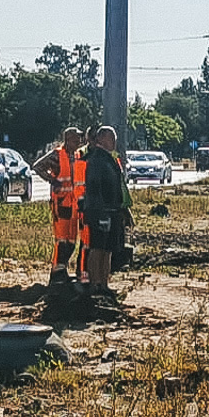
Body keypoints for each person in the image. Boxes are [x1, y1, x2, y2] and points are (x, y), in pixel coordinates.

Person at [80, 125, 131, 297]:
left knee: (108, 249)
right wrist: (100, 211)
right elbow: (94, 187)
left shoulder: (109, 159)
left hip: (112, 211)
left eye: (115, 139)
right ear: (101, 139)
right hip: (99, 212)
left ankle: (104, 284)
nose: (114, 142)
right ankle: (95, 284)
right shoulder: (96, 159)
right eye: (111, 138)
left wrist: (121, 210)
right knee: (97, 248)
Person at [34, 127, 86, 289]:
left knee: (71, 239)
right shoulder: (58, 154)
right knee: (62, 239)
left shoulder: (77, 155)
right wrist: (53, 180)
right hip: (62, 202)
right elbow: (37, 166)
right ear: (68, 139)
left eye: (79, 139)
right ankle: (57, 272)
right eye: (75, 139)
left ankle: (62, 269)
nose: (78, 142)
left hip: (74, 204)